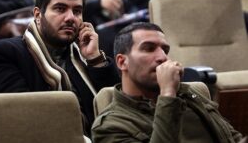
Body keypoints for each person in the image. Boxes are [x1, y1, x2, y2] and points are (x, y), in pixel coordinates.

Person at [0, 0, 119, 135]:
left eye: (77, 11)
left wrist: (95, 59)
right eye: (60, 8)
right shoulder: (1, 55)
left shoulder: (86, 55)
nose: (70, 18)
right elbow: (23, 119)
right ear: (38, 15)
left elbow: (119, 109)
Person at [91, 22, 243, 142]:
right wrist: (168, 94)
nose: (163, 57)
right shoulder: (111, 126)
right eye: (149, 49)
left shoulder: (189, 94)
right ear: (122, 62)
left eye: (165, 50)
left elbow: (233, 138)